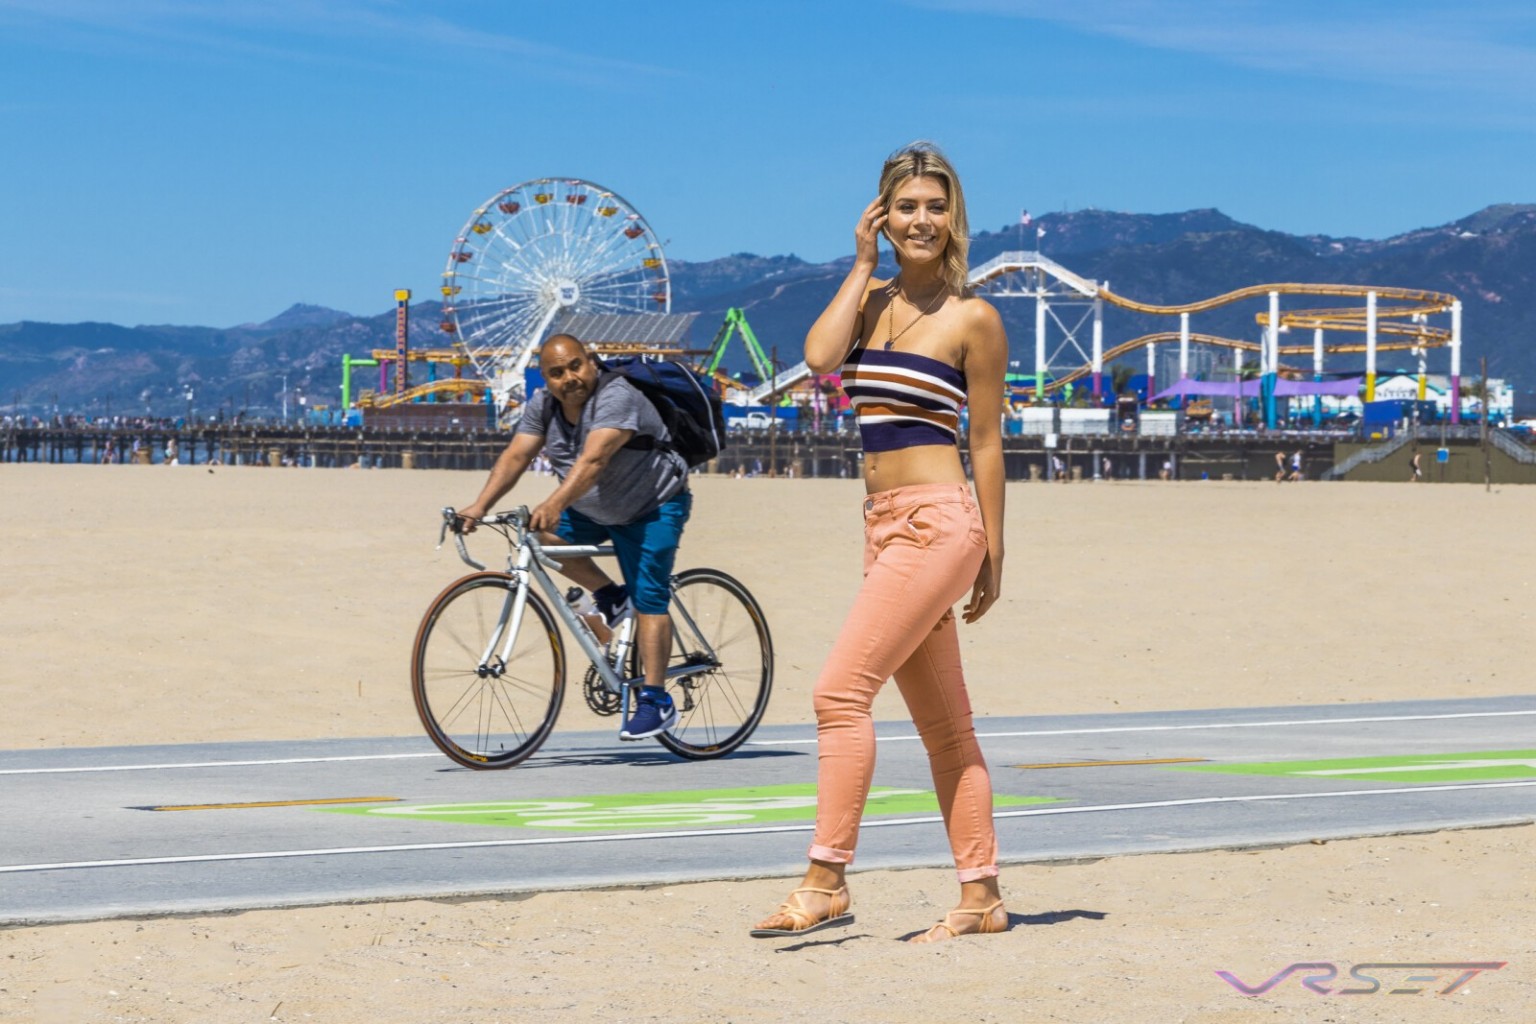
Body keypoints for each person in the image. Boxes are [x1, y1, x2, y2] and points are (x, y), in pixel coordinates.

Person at [751, 142, 1008, 944]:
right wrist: (861, 265)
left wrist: (994, 553)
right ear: (882, 216)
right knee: (945, 728)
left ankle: (826, 877)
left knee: (838, 694)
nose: (922, 220)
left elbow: (991, 444)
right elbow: (820, 360)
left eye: (936, 206)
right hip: (883, 523)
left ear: (955, 216)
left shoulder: (974, 318)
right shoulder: (868, 304)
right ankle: (982, 897)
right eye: (906, 207)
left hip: (939, 523)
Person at [454, 334, 692, 741]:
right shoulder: (544, 407)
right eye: (557, 373)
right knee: (536, 534)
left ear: (592, 362)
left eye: (576, 366)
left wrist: (557, 501)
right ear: (545, 379)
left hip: (653, 506)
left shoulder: (617, 396)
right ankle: (611, 596)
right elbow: (517, 455)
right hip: (594, 510)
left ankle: (655, 700)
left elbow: (594, 459)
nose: (570, 378)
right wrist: (479, 505)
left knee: (650, 596)